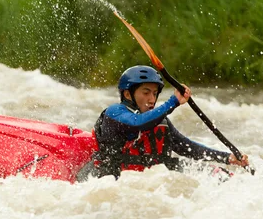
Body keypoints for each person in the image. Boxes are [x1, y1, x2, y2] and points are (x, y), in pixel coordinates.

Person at [76, 65, 249, 181]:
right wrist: (173, 101)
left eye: (154, 93)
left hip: (151, 177)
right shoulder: (115, 113)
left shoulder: (159, 120)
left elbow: (185, 147)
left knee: (225, 177)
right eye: (146, 92)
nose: (152, 99)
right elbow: (137, 123)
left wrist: (226, 158)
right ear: (128, 95)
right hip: (111, 176)